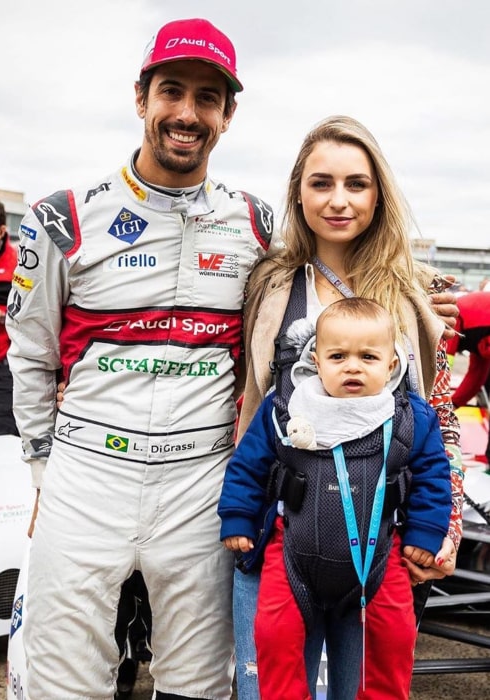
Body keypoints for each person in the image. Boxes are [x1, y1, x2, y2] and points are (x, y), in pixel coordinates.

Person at [5, 18, 273, 700]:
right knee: (61, 682)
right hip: (86, 476)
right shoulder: (61, 218)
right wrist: (43, 469)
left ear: (228, 113)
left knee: (200, 684)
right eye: (172, 91)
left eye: (207, 98)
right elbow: (30, 354)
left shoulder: (258, 223)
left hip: (201, 481)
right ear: (141, 98)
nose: (187, 114)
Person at [228, 115, 463, 700]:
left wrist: (445, 524)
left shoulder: (418, 290)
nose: (338, 200)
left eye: (356, 183)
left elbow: (440, 412)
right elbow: (242, 395)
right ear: (298, 191)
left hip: (377, 543)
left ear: (378, 192)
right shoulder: (268, 282)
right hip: (279, 537)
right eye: (321, 182)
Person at [219, 297, 452, 699]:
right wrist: (238, 516)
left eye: (368, 357)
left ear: (392, 364)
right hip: (292, 553)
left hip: (381, 559)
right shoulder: (286, 407)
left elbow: (434, 475)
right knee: (274, 636)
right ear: (316, 359)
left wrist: (426, 533)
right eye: (338, 356)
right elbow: (248, 464)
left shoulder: (410, 416)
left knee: (394, 640)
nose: (353, 366)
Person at [446, 290, 490, 464]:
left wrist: (440, 406)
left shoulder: (453, 318)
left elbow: (444, 363)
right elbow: (476, 376)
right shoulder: (479, 340)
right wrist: (453, 404)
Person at [0, 197, 18, 437]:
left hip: (2, 366)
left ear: (1, 230)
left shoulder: (21, 264)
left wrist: (0, 316)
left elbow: (37, 315)